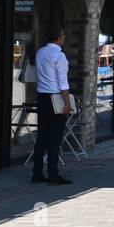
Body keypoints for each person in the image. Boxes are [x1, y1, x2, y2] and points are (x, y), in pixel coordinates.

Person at [32, 26, 73, 185]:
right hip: (56, 97)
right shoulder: (59, 56)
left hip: (42, 96)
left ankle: (37, 171)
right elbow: (63, 82)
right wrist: (67, 103)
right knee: (55, 138)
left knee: (42, 136)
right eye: (63, 35)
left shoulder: (40, 52)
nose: (64, 37)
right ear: (59, 38)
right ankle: (53, 172)